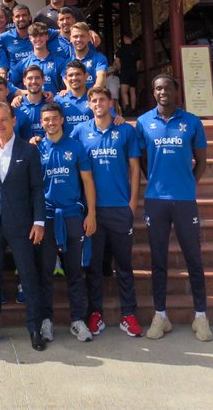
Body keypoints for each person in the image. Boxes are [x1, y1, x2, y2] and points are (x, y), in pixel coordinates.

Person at [137, 74, 212, 342]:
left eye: (167, 87)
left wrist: (188, 183)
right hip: (156, 200)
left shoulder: (192, 122)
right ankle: (160, 315)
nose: (162, 92)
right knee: (159, 260)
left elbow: (202, 161)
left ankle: (201, 316)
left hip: (184, 200)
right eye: (158, 88)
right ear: (153, 93)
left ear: (176, 91)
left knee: (194, 258)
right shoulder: (144, 122)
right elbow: (142, 160)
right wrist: (155, 179)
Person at [0, 101, 47, 351]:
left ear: (14, 121)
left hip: (22, 224)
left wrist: (39, 221)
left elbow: (37, 189)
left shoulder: (28, 151)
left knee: (29, 275)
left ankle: (34, 329)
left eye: (4, 119)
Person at [74, 85, 143, 337]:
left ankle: (129, 314)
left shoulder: (125, 130)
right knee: (93, 266)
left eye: (102, 99)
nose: (98, 104)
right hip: (93, 211)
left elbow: (134, 167)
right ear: (89, 104)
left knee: (124, 264)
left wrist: (133, 202)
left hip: (119, 208)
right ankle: (95, 313)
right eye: (93, 101)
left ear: (110, 102)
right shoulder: (81, 131)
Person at [35, 102, 97, 342]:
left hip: (72, 216)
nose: (51, 123)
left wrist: (91, 214)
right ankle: (46, 321)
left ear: (62, 120)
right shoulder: (37, 148)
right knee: (46, 272)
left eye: (54, 118)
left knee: (74, 271)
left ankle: (77, 320)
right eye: (46, 119)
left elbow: (88, 181)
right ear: (42, 123)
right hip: (48, 217)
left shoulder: (76, 147)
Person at [66, 22, 107, 89]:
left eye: (82, 36)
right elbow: (69, 88)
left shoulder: (99, 58)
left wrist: (91, 97)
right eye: (75, 36)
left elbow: (100, 79)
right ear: (70, 39)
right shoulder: (67, 63)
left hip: (93, 98)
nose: (78, 39)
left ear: (88, 37)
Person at [56, 60, 94, 132]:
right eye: (70, 75)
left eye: (78, 74)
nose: (74, 78)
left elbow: (110, 117)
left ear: (86, 76)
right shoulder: (59, 100)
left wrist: (118, 118)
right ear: (66, 78)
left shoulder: (95, 98)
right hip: (67, 142)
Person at [115, 35, 140, 114]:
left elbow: (117, 62)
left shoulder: (121, 50)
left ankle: (127, 106)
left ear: (124, 39)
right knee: (133, 91)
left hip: (125, 71)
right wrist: (136, 70)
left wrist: (119, 69)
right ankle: (133, 109)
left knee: (124, 91)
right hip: (133, 72)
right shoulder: (136, 49)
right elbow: (139, 62)